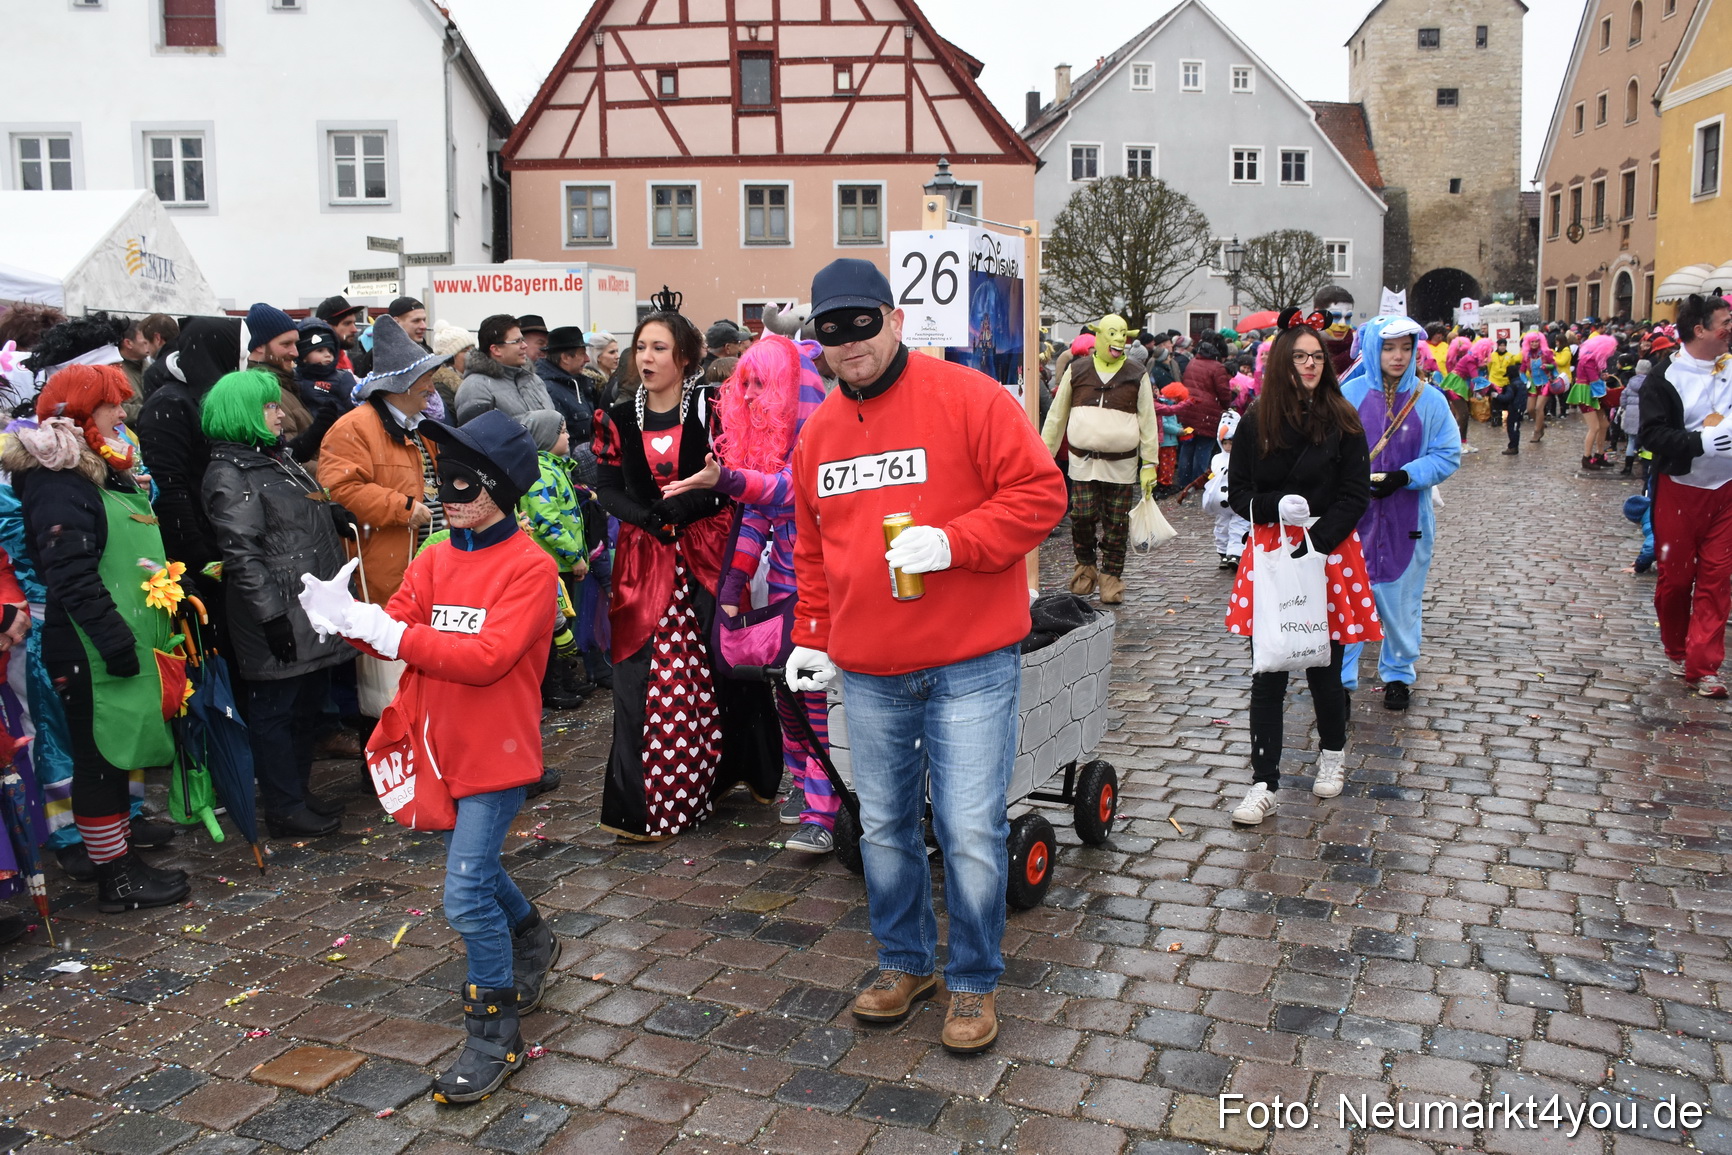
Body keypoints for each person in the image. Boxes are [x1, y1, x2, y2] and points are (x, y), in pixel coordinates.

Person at [784, 258, 1067, 1055]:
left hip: (971, 662)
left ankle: (973, 977)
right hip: (871, 669)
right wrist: (812, 631)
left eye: (862, 323)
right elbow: (813, 548)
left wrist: (956, 541)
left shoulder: (970, 397)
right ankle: (906, 962)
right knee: (881, 826)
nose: (850, 342)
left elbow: (1041, 495)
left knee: (969, 827)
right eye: (832, 329)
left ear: (895, 319)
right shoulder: (817, 435)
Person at [298, 410, 560, 1105]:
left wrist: (391, 633)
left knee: (466, 892)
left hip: (497, 755)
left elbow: (487, 656)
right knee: (478, 869)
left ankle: (494, 1033)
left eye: (468, 484)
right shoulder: (437, 555)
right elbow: (399, 625)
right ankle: (533, 938)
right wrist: (349, 619)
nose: (450, 496)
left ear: (502, 488)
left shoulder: (531, 568)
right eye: (447, 480)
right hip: (436, 749)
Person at [6, 366, 190, 911]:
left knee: (115, 757)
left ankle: (123, 860)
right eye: (111, 405)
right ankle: (116, 878)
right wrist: (113, 641)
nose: (121, 415)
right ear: (83, 413)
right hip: (88, 645)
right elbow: (70, 574)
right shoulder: (57, 480)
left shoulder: (98, 471)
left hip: (119, 636)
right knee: (97, 761)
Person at [590, 311, 777, 841]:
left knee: (723, 669)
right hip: (644, 560)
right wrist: (646, 516)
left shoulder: (711, 408)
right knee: (648, 678)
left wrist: (687, 508)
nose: (646, 358)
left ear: (686, 358)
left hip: (707, 552)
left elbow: (731, 479)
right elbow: (606, 486)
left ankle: (727, 771)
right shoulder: (616, 415)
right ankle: (652, 800)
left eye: (658, 348)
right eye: (640, 347)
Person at [661, 334, 836, 853]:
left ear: (792, 387)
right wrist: (733, 589)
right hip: (782, 590)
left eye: (763, 383)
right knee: (787, 695)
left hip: (826, 589)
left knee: (813, 697)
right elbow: (756, 518)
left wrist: (729, 480)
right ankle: (804, 784)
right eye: (747, 384)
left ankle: (823, 814)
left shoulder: (825, 437)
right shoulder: (769, 441)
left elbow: (788, 491)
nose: (752, 394)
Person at [1223, 314, 1378, 824]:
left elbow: (1355, 493)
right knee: (1267, 670)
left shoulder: (1343, 417)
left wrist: (1317, 539)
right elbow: (1239, 493)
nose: (1310, 365)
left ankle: (1332, 753)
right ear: (1282, 364)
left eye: (1316, 357)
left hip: (1328, 551)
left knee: (1324, 668)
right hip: (1271, 553)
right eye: (1299, 357)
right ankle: (1263, 783)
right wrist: (1274, 506)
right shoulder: (1256, 420)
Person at [200, 369, 355, 838]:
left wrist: (328, 512)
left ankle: (296, 793)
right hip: (278, 607)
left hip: (306, 603)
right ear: (243, 414)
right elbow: (242, 553)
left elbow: (290, 517)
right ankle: (284, 806)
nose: (280, 414)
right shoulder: (231, 473)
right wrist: (270, 617)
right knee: (276, 710)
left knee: (305, 705)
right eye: (269, 407)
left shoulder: (275, 459)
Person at [1338, 315, 1463, 712]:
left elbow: (1448, 454)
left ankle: (1397, 675)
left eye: (1406, 348)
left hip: (1408, 521)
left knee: (1402, 601)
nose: (1398, 356)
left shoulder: (1431, 400)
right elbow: (1327, 450)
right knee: (1349, 600)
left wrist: (1406, 476)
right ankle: (1341, 681)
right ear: (1372, 349)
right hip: (1354, 519)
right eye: (1389, 348)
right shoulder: (1348, 395)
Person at [1637, 293, 1732, 698]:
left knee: (1717, 579)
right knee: (1676, 581)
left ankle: (1704, 667)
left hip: (1726, 492)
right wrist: (1701, 442)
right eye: (1725, 322)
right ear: (1700, 330)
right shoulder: (1664, 377)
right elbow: (1651, 435)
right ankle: (1676, 648)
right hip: (1679, 490)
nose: (1731, 329)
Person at [318, 316, 449, 609]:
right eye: (426, 379)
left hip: (430, 568)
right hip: (386, 573)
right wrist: (404, 508)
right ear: (403, 385)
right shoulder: (353, 427)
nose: (431, 388)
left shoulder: (421, 427)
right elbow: (339, 490)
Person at [1040, 314, 1159, 604]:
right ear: (1099, 336)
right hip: (1082, 462)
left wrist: (1149, 464)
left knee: (1116, 524)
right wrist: (1043, 455)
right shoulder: (1077, 370)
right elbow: (1056, 415)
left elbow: (1147, 420)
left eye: (1123, 334)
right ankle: (1085, 568)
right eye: (1113, 333)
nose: (1119, 340)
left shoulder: (1136, 373)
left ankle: (1111, 578)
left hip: (1122, 464)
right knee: (1081, 516)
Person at [518, 409, 592, 711]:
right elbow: (547, 522)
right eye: (562, 432)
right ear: (546, 438)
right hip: (553, 564)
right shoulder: (541, 473)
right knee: (552, 627)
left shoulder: (555, 468)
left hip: (561, 562)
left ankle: (566, 677)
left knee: (564, 625)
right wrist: (574, 556)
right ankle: (552, 686)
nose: (569, 436)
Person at [458, 315, 555, 427]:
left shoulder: (534, 380)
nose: (524, 345)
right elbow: (479, 434)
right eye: (517, 341)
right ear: (496, 349)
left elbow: (556, 426)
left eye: (523, 340)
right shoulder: (475, 387)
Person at [1170, 338, 1233, 491]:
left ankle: (1184, 481)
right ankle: (1197, 483)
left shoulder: (1192, 363)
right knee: (1203, 448)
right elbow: (1223, 392)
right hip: (1208, 413)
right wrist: (1227, 406)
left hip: (1189, 409)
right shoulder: (1217, 367)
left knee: (1188, 446)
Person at [1203, 408, 1251, 567]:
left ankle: (1235, 554)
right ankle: (1223, 552)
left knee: (1239, 526)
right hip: (1220, 501)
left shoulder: (1244, 457)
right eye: (1225, 443)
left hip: (1238, 498)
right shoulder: (1217, 458)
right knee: (1222, 527)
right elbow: (1209, 475)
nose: (1228, 446)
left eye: (1231, 442)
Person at [535, 327, 596, 445]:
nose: (587, 359)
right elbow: (557, 440)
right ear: (565, 358)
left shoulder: (577, 383)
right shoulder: (549, 390)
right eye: (582, 353)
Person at [117, 314, 179, 419]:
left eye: (147, 342)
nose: (147, 347)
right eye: (144, 342)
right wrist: (149, 410)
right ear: (128, 343)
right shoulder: (114, 371)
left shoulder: (153, 368)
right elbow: (112, 409)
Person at [315, 296, 367, 375]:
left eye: (354, 323)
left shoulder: (342, 357)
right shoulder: (318, 365)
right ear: (326, 326)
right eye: (347, 323)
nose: (355, 330)